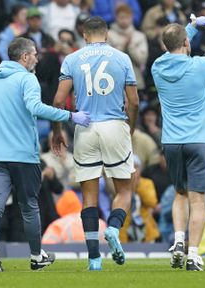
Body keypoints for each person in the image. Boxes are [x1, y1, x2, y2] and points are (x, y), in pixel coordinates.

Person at [0, 37, 90, 272]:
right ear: (24, 57)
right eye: (34, 54)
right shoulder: (27, 78)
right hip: (22, 155)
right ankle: (35, 256)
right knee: (29, 206)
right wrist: (71, 116)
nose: (37, 58)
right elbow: (36, 107)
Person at [51, 16, 139, 270]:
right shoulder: (122, 58)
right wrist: (128, 128)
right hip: (114, 125)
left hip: (85, 126)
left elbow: (58, 101)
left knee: (89, 195)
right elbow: (133, 101)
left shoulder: (72, 59)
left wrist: (58, 130)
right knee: (124, 189)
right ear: (107, 34)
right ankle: (112, 228)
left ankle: (94, 259)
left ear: (84, 35)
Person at [151, 15, 205, 271]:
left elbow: (174, 43)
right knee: (198, 200)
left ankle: (178, 240)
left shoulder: (157, 68)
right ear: (187, 42)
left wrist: (191, 27)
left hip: (172, 143)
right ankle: (194, 254)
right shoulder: (200, 66)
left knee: (180, 194)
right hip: (199, 141)